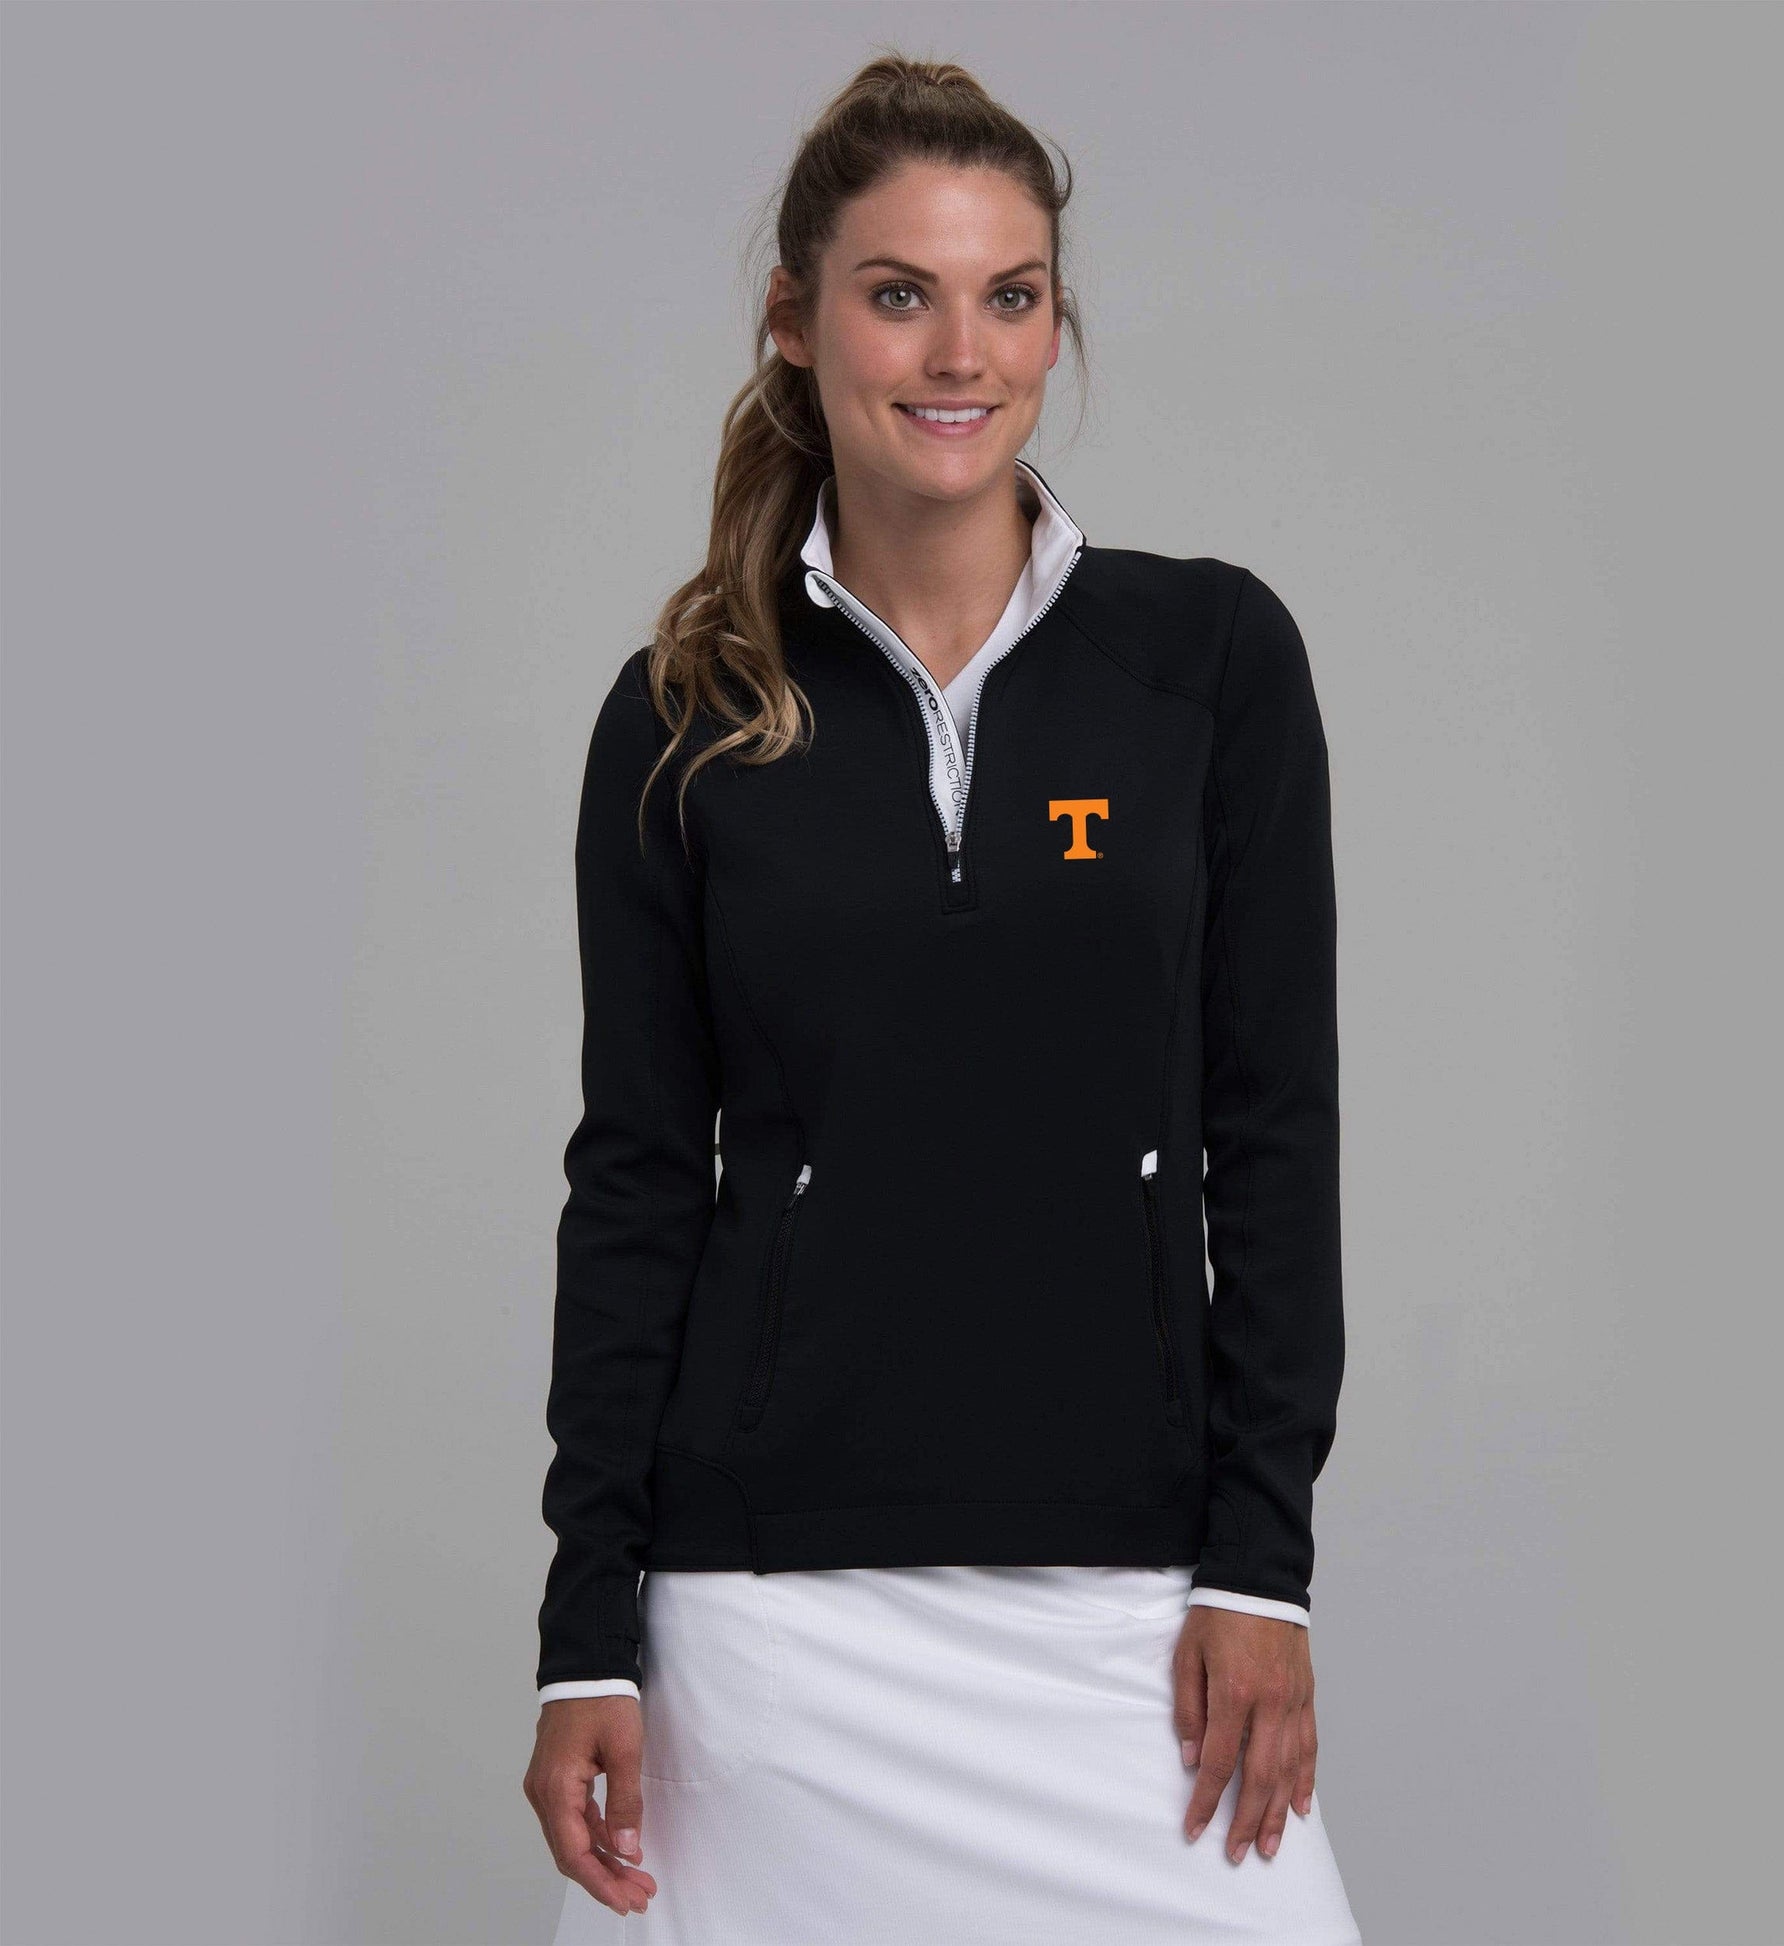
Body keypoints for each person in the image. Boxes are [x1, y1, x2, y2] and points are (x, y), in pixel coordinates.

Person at [523, 53, 1360, 1946]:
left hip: (1131, 1594)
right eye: (898, 292)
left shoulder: (1208, 661)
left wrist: (1263, 1565)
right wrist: (588, 1633)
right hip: (761, 1615)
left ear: (1054, 324)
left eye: (1010, 293)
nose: (958, 351)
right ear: (796, 317)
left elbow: (1271, 1132)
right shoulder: (683, 716)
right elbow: (636, 1180)